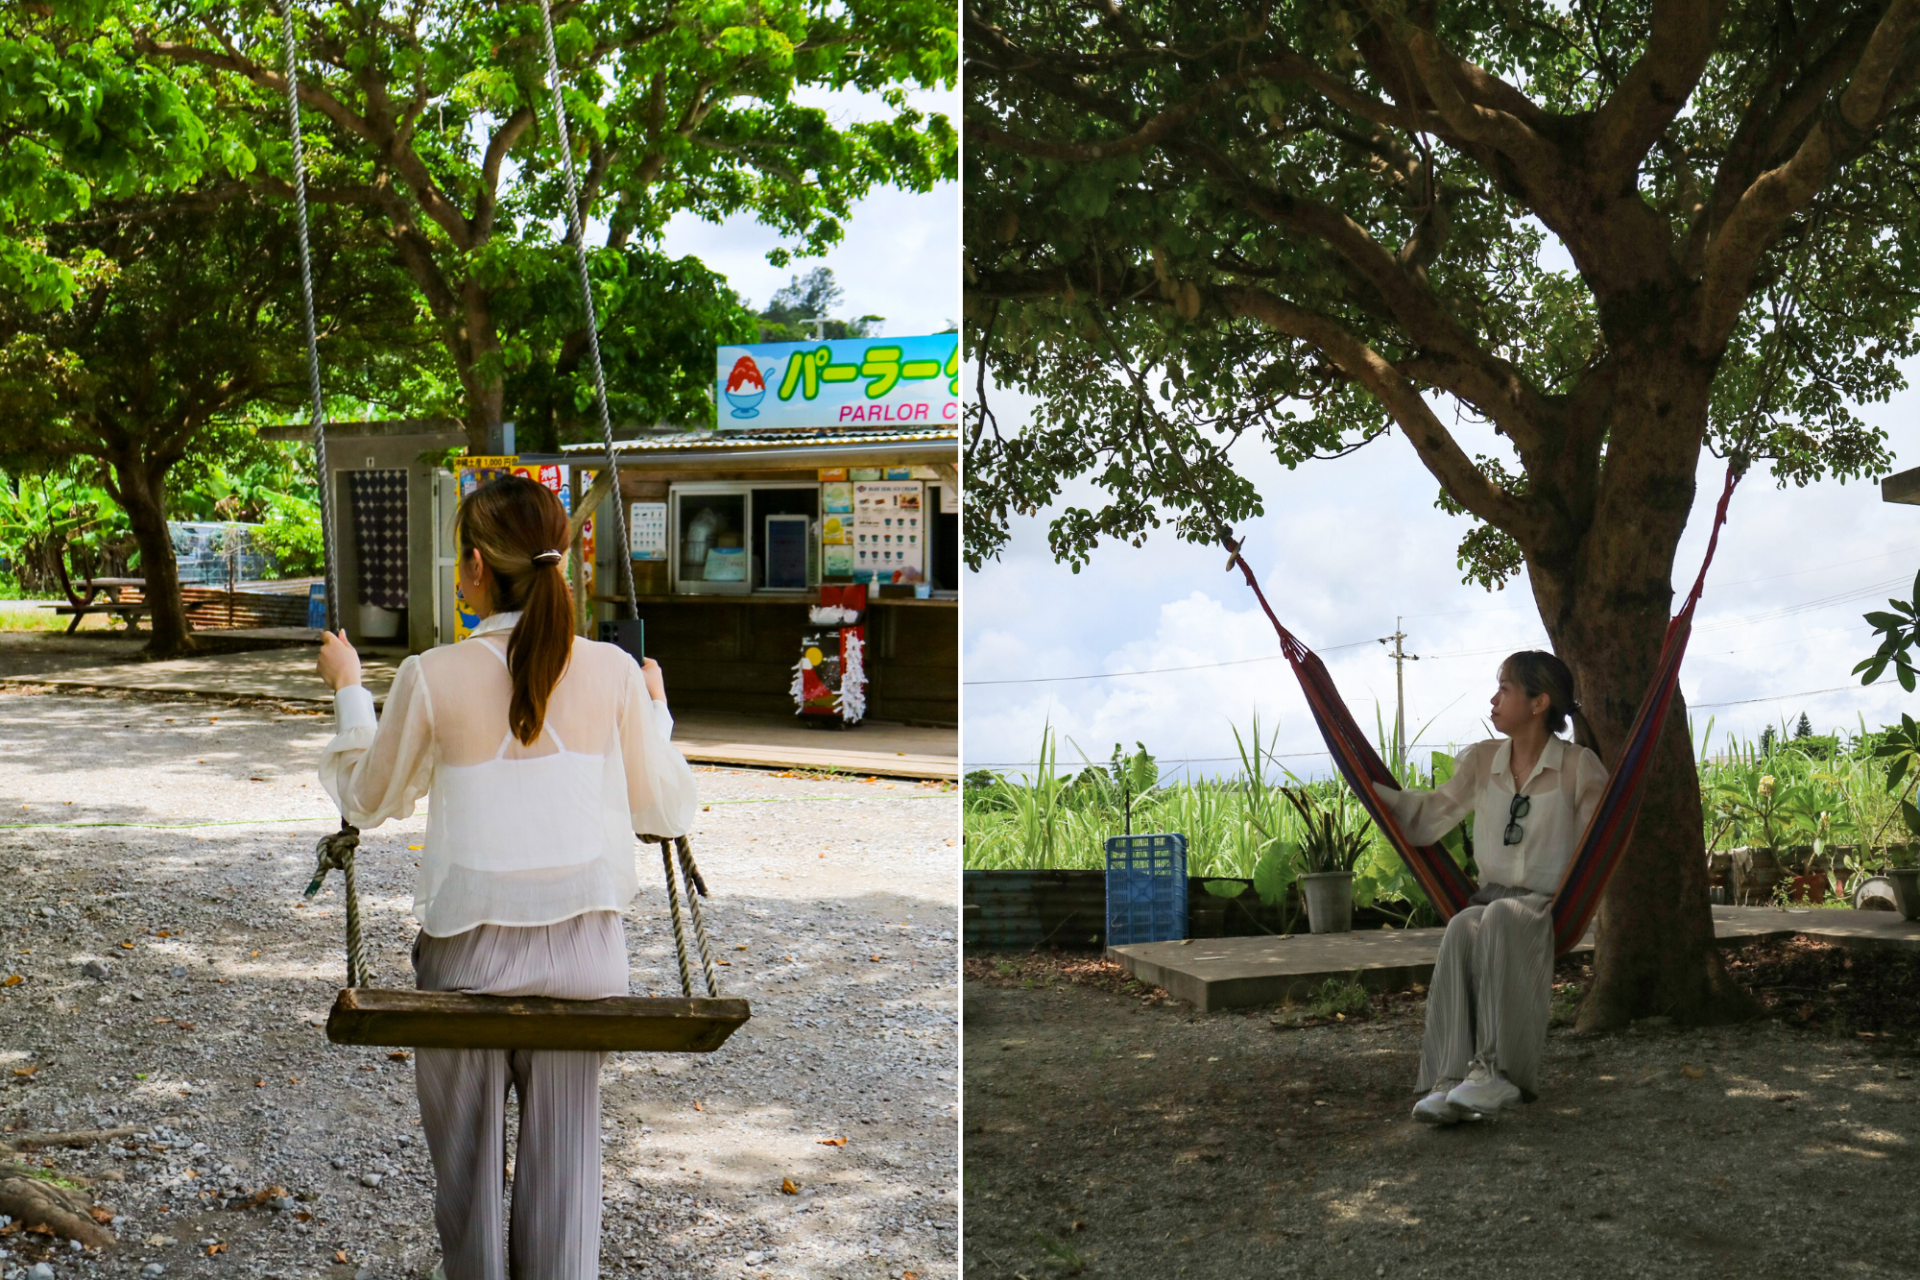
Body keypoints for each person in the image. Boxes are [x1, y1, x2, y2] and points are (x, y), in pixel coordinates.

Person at [314, 474, 696, 1279]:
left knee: (470, 1188)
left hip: (468, 960)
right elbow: (664, 809)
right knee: (565, 1185)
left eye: (460, 554)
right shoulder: (614, 673)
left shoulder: (433, 673)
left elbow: (369, 797)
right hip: (588, 962)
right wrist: (657, 709)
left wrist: (350, 690)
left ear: (477, 566)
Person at [1374, 651, 1607, 1125]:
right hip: (1490, 898)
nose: (1493, 699)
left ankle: (1498, 1074)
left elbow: (1597, 846)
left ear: (1539, 702)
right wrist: (1372, 791)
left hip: (1548, 905)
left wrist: (1577, 898)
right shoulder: (1483, 761)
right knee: (1462, 925)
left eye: (1505, 689)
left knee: (1499, 917)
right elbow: (1430, 817)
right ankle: (1451, 1079)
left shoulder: (1577, 767)